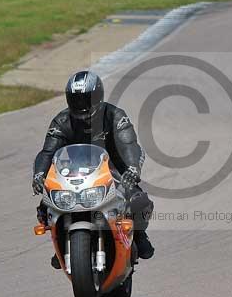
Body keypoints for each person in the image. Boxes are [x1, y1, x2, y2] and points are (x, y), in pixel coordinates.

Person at [32, 70, 154, 267]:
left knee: (138, 200)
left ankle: (139, 235)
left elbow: (129, 144)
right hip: (74, 173)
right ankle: (62, 242)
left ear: (98, 96)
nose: (81, 106)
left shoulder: (114, 116)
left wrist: (132, 169)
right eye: (76, 100)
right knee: (46, 205)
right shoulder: (61, 121)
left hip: (113, 170)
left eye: (86, 100)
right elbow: (47, 152)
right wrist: (39, 174)